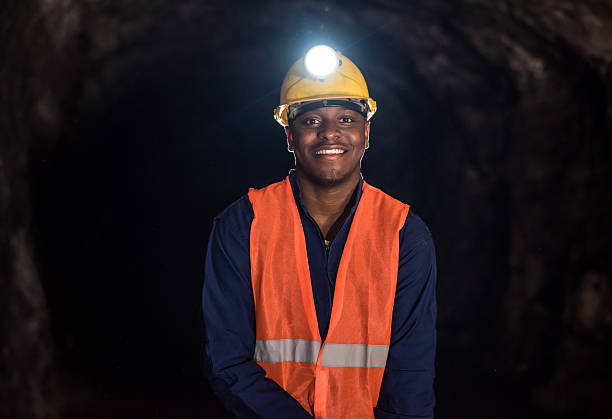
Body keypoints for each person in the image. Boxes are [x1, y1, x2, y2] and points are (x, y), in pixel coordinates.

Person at [202, 45, 437, 418]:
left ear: (366, 133)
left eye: (346, 119)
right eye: (311, 121)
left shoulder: (403, 233)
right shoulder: (242, 225)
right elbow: (227, 362)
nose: (330, 133)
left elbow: (411, 371)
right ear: (290, 136)